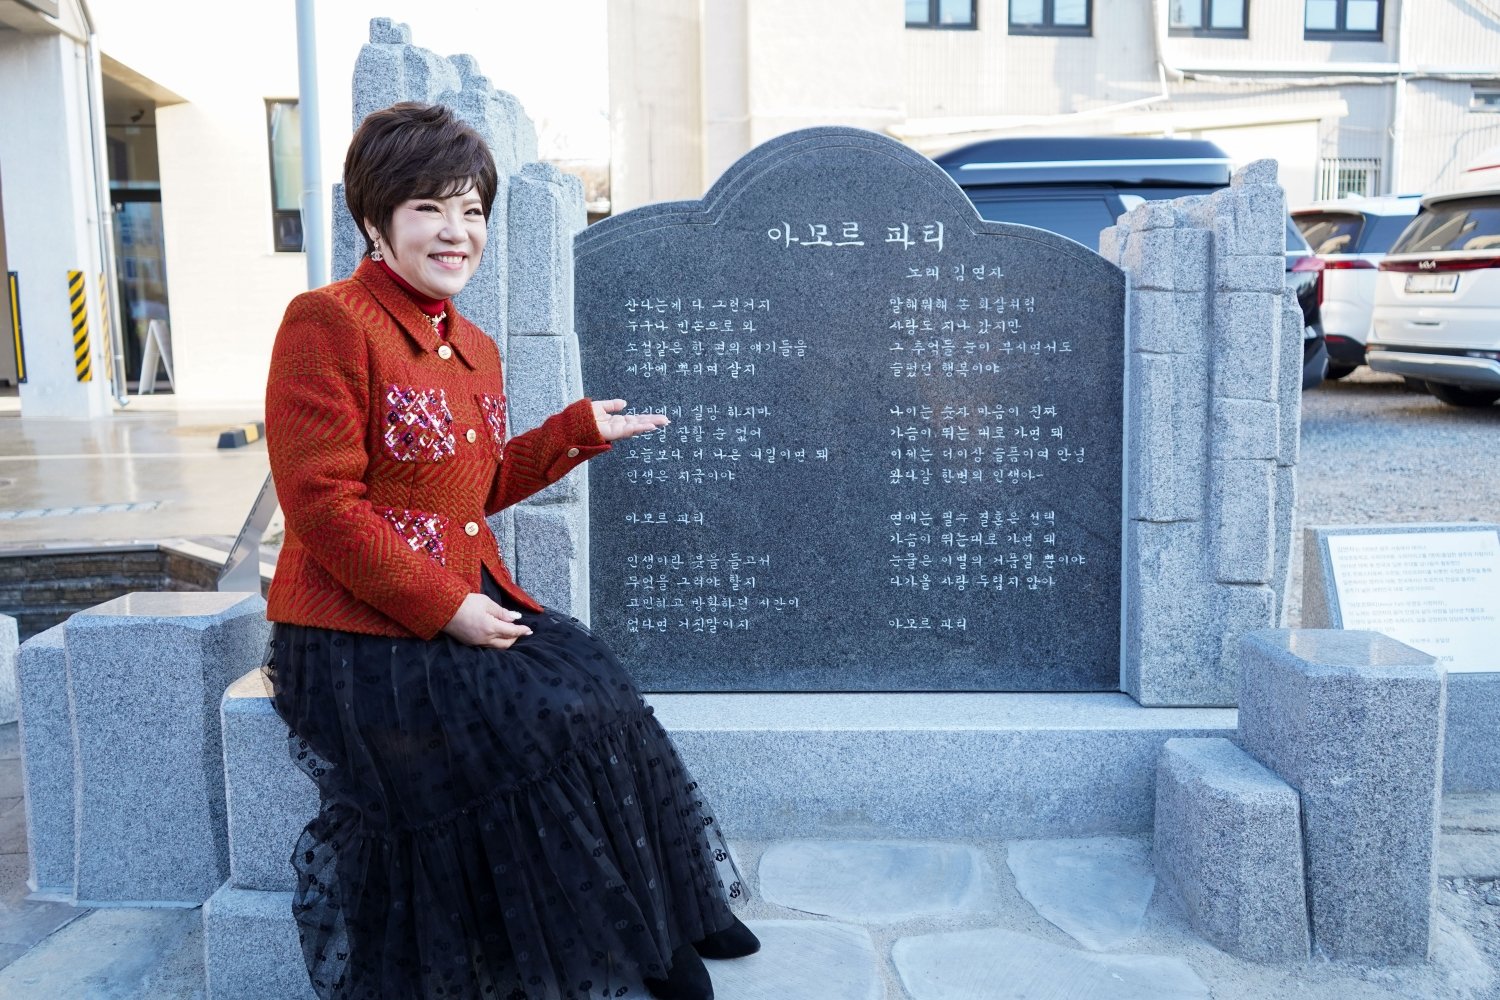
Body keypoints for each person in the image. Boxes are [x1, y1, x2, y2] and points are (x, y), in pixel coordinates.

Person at [263, 101, 757, 1000]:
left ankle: (673, 914)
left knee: (599, 684)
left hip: (464, 597)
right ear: (374, 220)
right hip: (353, 632)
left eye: (472, 210)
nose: (456, 232)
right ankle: (629, 947)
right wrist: (446, 608)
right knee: (537, 718)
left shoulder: (473, 347)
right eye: (428, 208)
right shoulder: (327, 322)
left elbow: (475, 489)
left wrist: (574, 432)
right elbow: (322, 506)